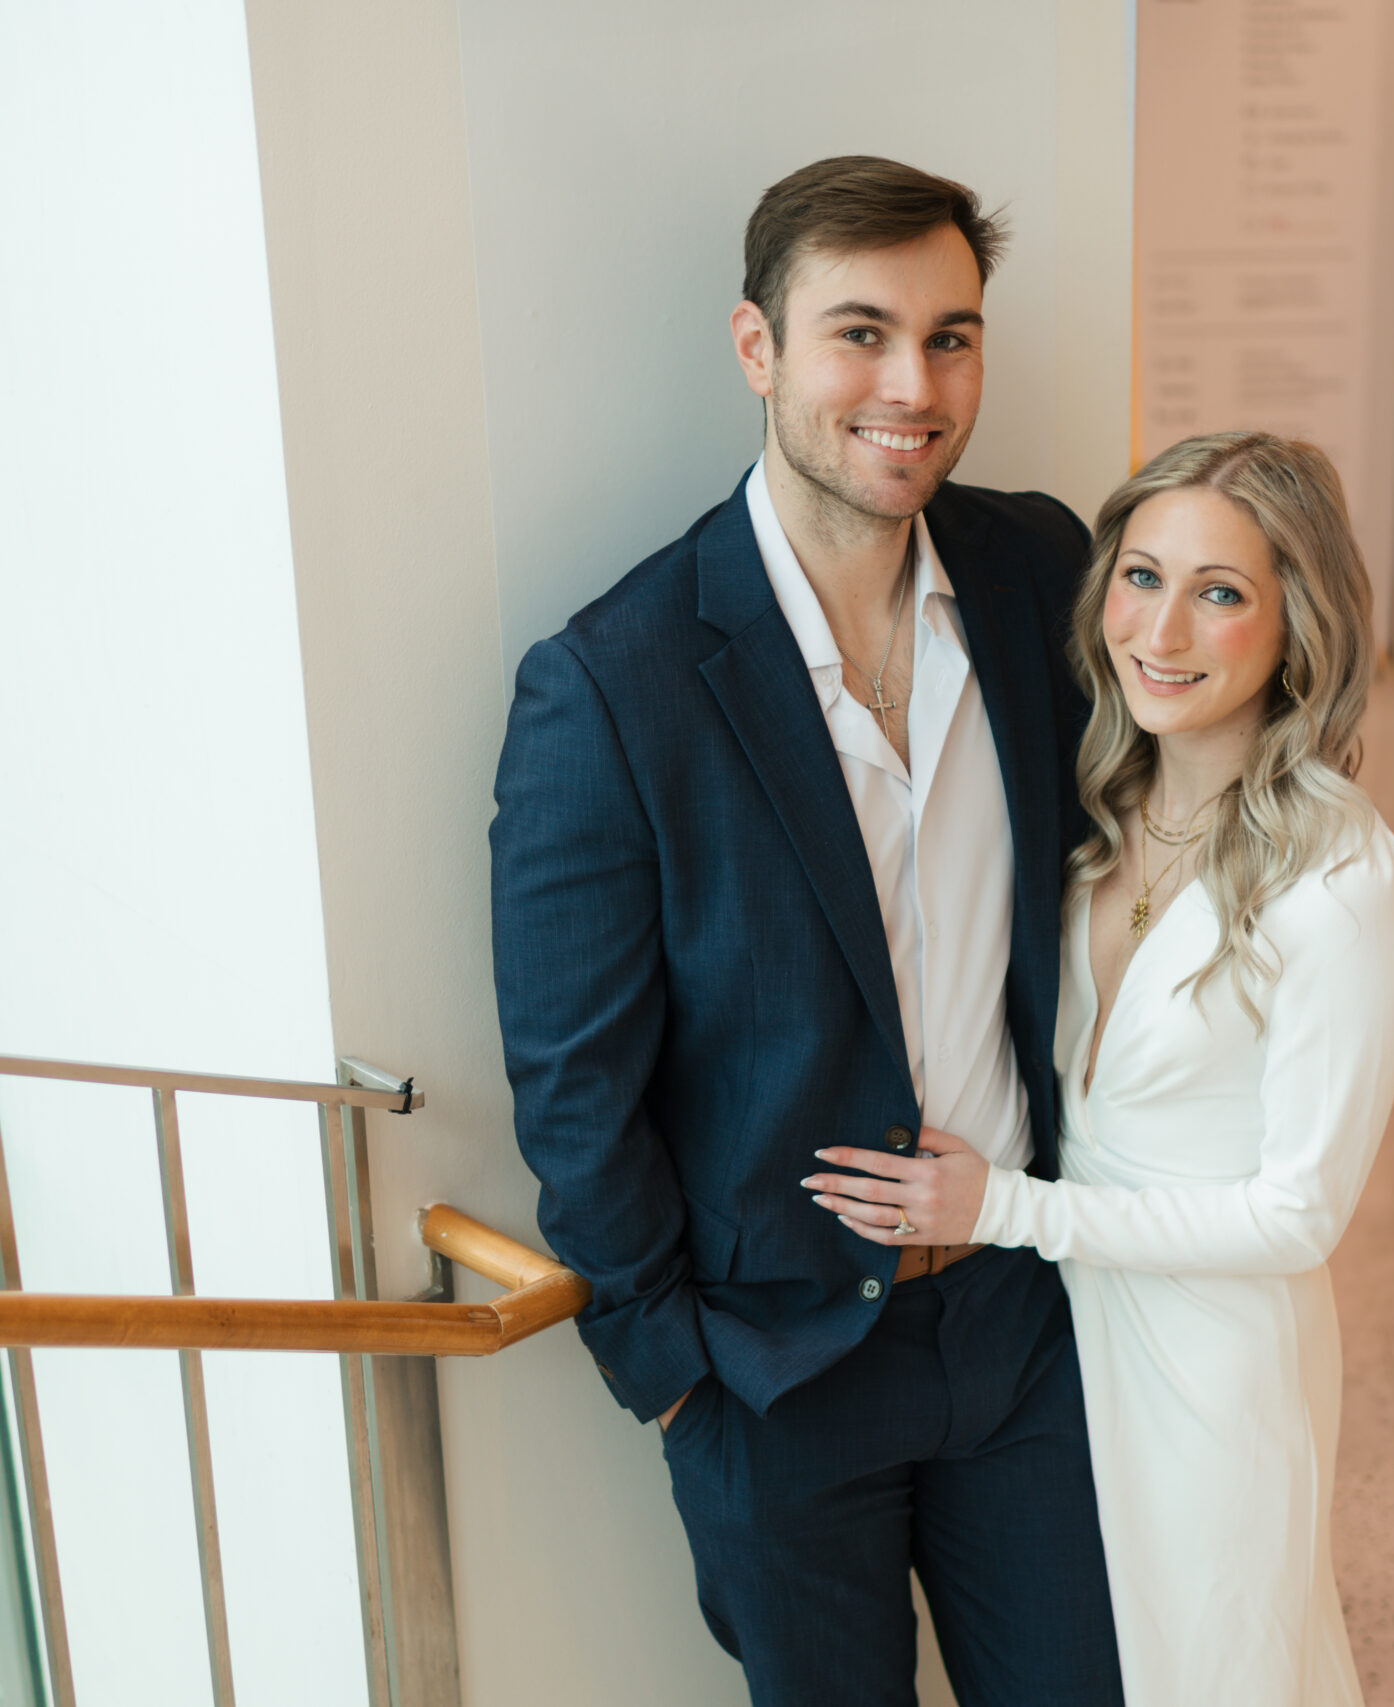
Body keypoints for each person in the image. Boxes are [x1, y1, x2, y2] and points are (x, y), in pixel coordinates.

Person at [490, 156, 1122, 1707]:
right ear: (758, 349)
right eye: (861, 332)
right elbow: (575, 1083)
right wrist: (675, 1383)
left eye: (953, 336)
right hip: (774, 1370)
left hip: (1022, 1313)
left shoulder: (1041, 564)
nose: (914, 384)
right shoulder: (614, 677)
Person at [807, 430, 1394, 1705]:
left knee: (1213, 1670)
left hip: (1208, 1367)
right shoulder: (1094, 804)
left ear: (1296, 627)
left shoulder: (1343, 879)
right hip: (1057, 1341)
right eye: (1143, 576)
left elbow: (1298, 1215)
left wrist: (1006, 1210)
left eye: (1221, 592)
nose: (1164, 628)